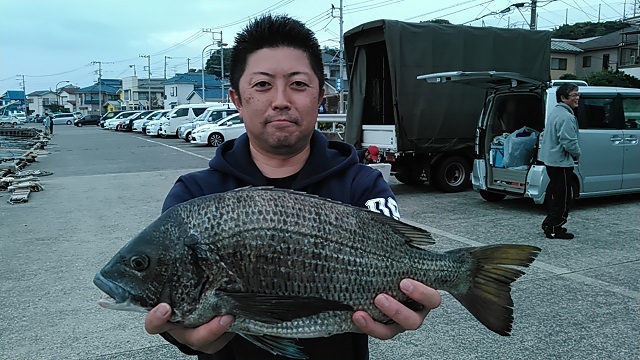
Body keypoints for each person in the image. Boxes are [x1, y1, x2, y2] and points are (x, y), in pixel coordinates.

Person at [144, 14, 441, 360]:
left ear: (320, 97)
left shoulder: (363, 185)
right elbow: (174, 304)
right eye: (262, 85)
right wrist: (182, 337)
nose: (281, 99)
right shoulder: (193, 198)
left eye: (298, 84)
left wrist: (410, 301)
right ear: (237, 99)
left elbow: (400, 256)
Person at [538, 83, 581, 240]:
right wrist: (577, 153)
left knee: (558, 194)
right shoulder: (567, 117)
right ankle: (555, 228)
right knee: (563, 197)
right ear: (563, 98)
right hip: (561, 162)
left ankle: (549, 223)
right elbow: (569, 141)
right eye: (574, 95)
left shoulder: (555, 112)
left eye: (578, 94)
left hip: (551, 161)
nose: (577, 98)